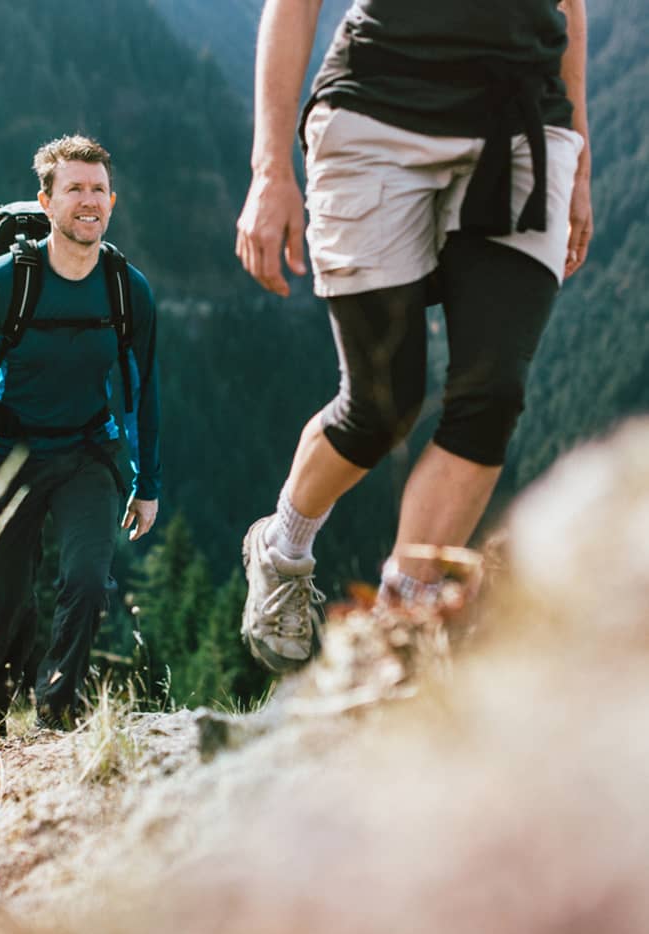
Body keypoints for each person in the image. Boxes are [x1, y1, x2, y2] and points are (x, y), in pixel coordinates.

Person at [236, 0, 592, 672]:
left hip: (524, 126)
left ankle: (397, 637)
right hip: (377, 113)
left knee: (491, 395)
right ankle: (282, 546)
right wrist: (270, 170)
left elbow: (569, 6)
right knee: (381, 406)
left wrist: (580, 159)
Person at [0, 134, 160, 734]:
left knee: (86, 583)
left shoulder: (127, 288)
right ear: (46, 201)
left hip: (87, 452)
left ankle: (57, 715)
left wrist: (147, 482)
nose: (89, 201)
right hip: (9, 455)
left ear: (112, 201)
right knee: (6, 595)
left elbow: (144, 390)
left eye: (99, 190)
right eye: (74, 189)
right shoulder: (4, 282)